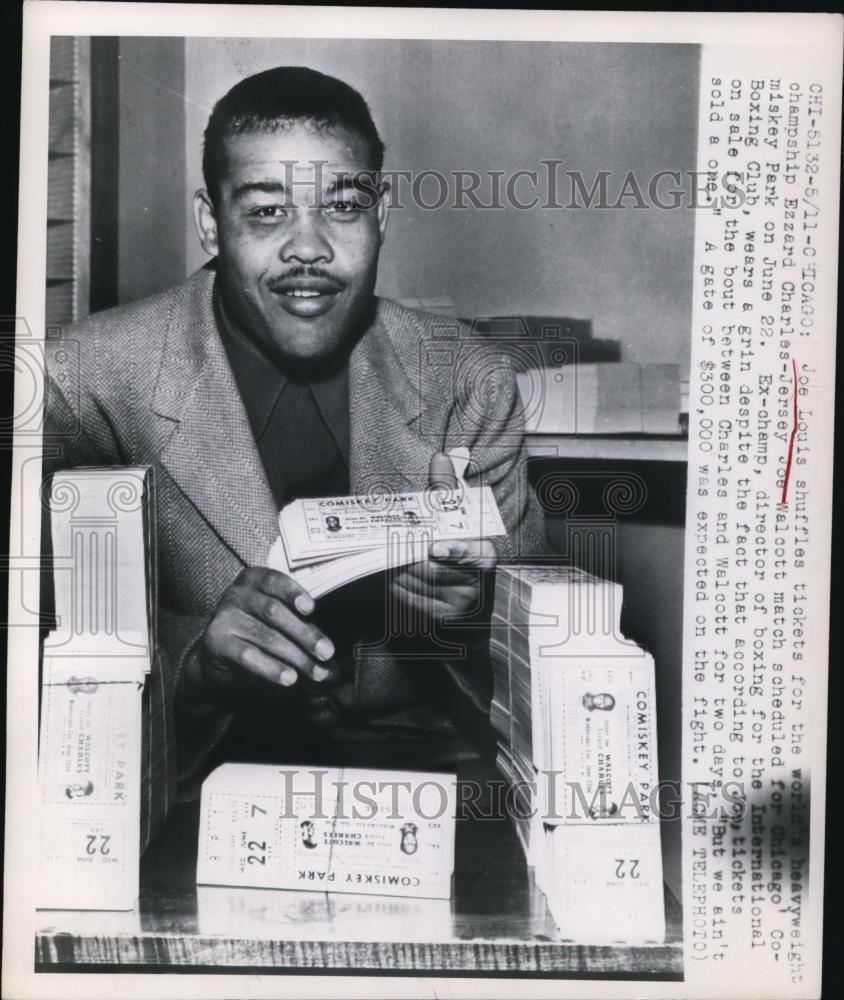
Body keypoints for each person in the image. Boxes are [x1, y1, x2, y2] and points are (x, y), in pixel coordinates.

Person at [44, 66, 547, 821]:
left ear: (382, 213)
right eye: (267, 212)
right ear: (211, 222)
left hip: (426, 785)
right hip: (173, 784)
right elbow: (42, 648)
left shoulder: (467, 380)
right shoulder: (86, 383)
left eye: (342, 207)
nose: (307, 248)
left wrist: (471, 611)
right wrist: (198, 662)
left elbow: (548, 642)